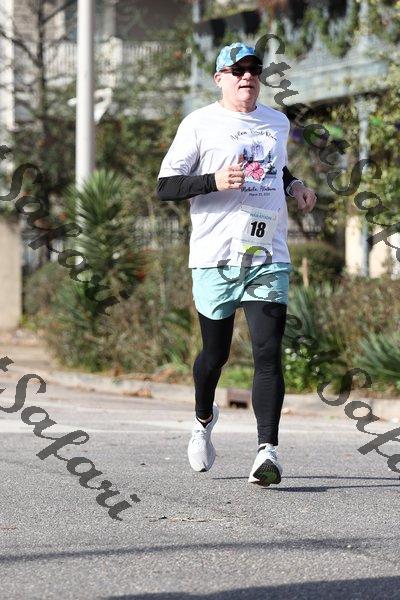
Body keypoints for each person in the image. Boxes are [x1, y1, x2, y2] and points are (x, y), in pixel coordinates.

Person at [157, 42, 316, 487]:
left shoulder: (277, 122)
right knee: (216, 354)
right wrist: (213, 180)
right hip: (215, 256)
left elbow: (278, 169)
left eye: (254, 70)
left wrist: (296, 186)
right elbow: (165, 186)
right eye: (237, 70)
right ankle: (202, 419)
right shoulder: (199, 123)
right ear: (219, 79)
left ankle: (268, 452)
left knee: (268, 352)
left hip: (266, 253)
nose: (247, 76)